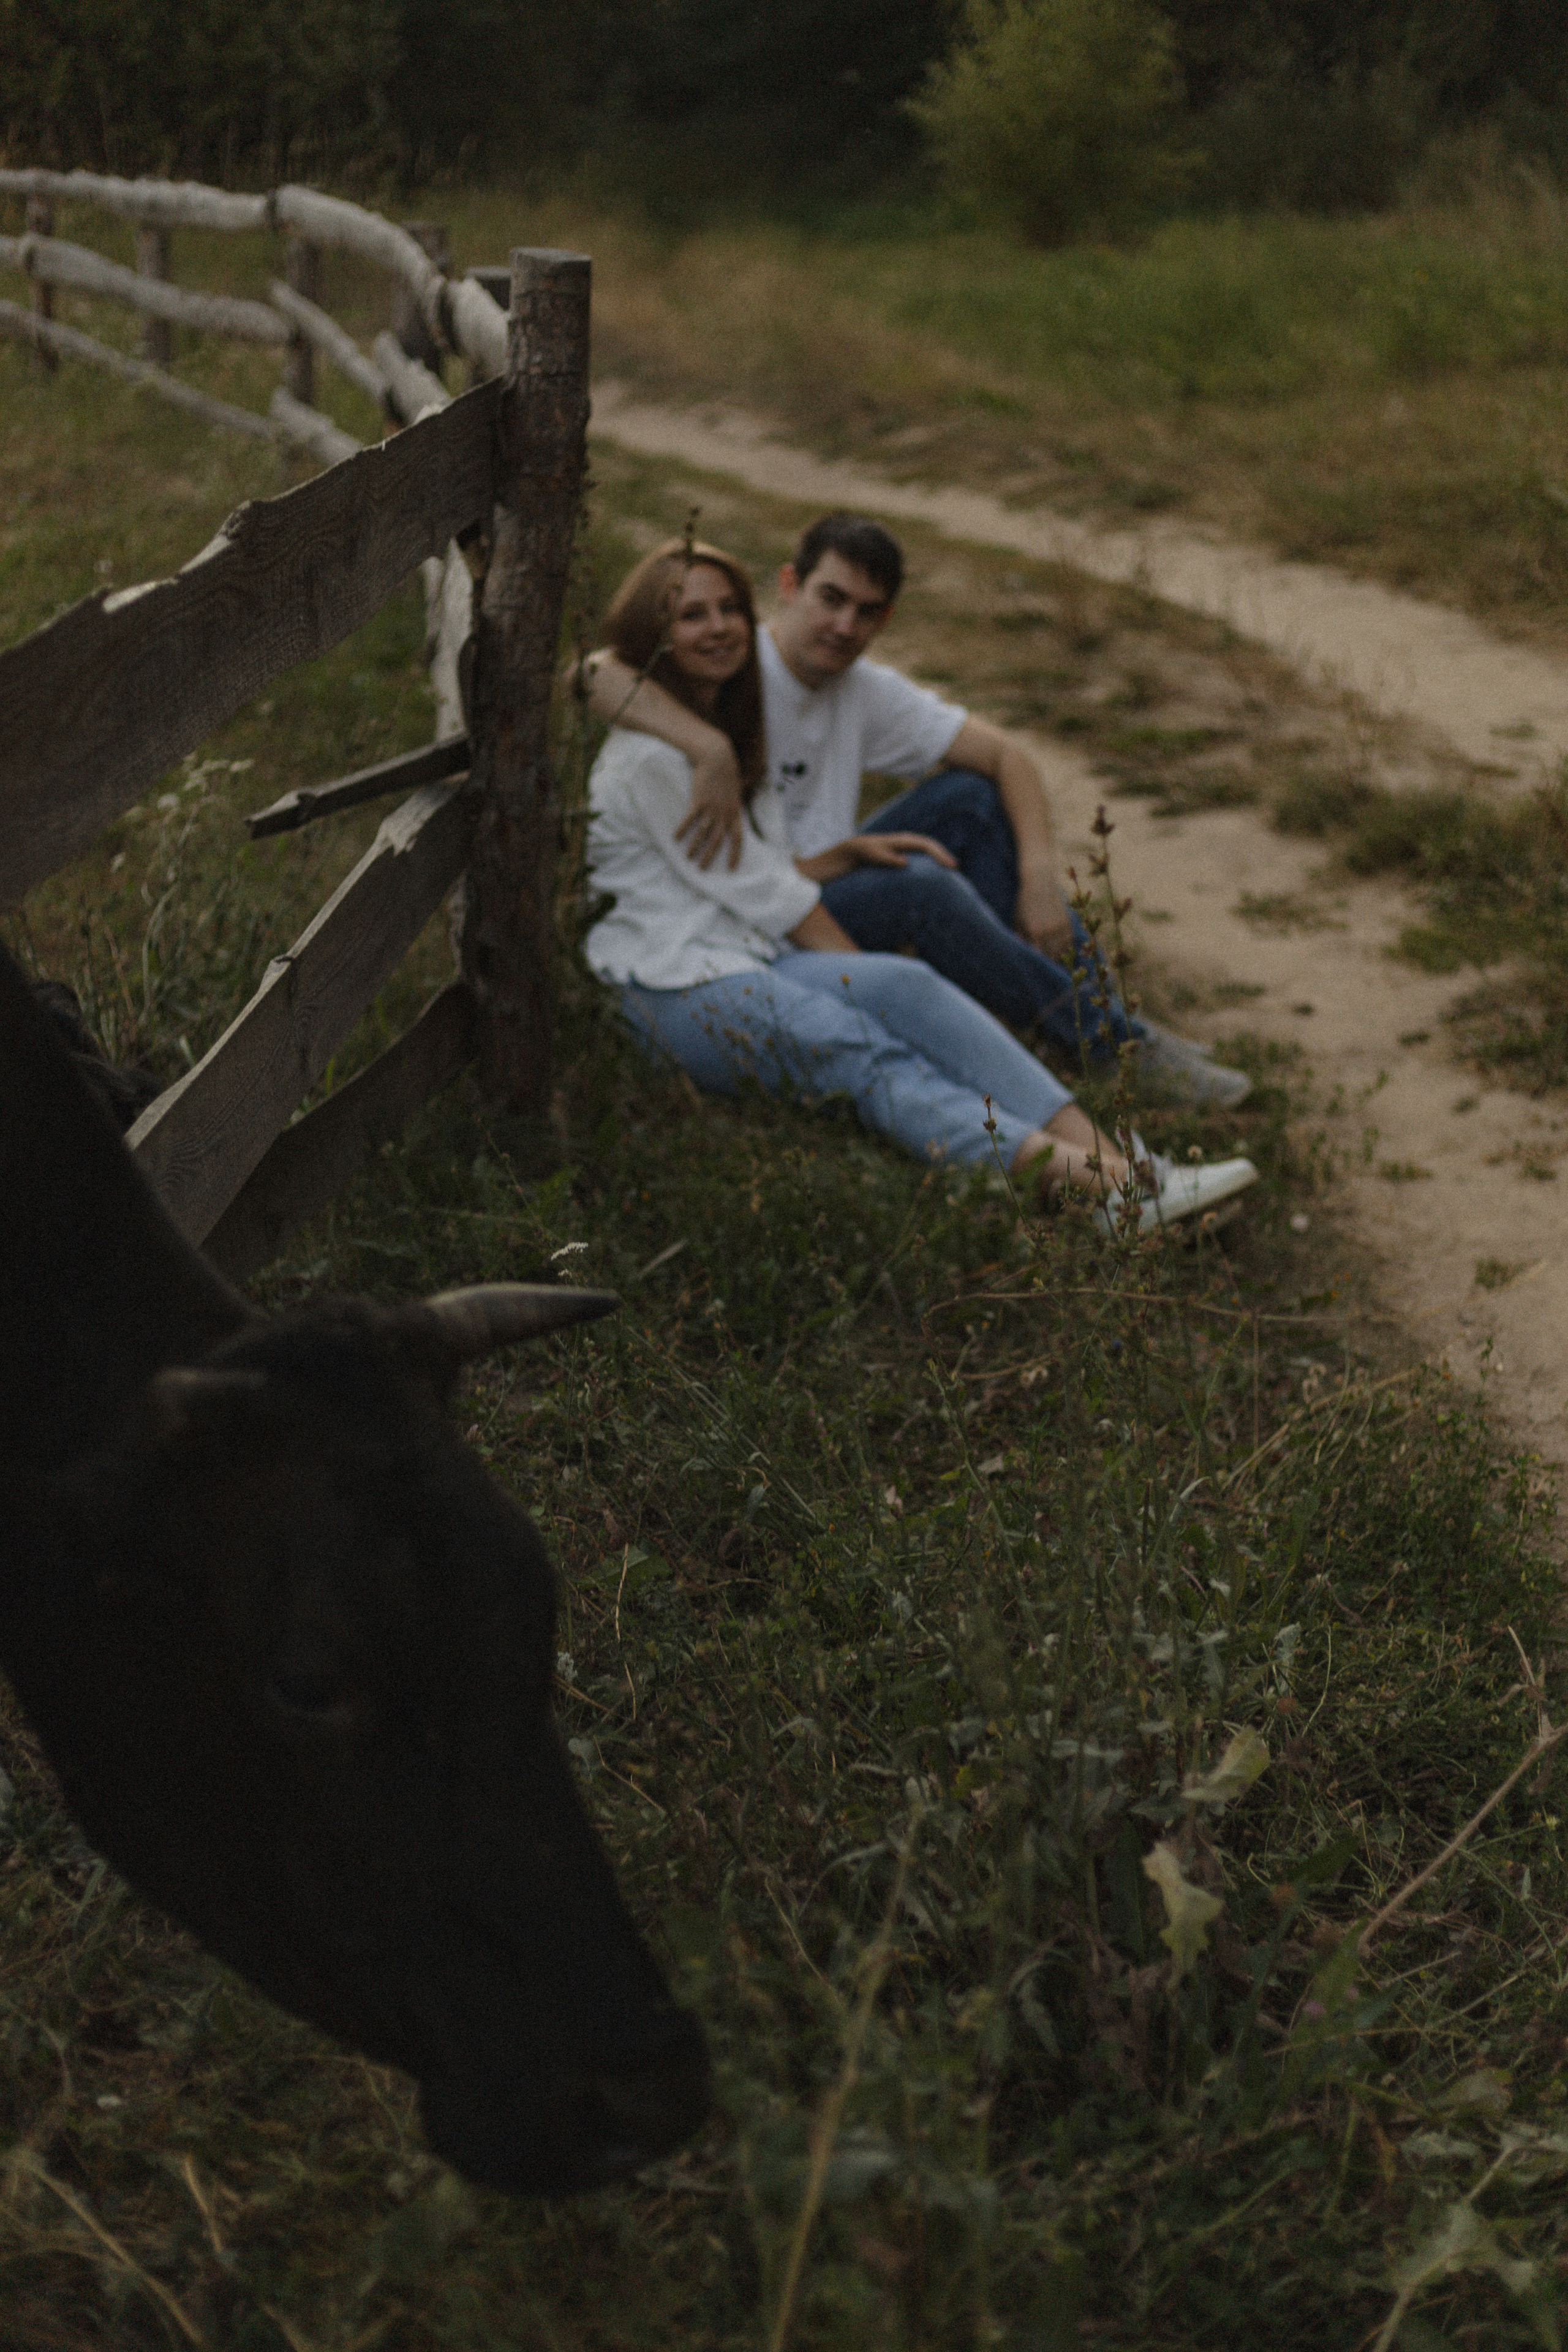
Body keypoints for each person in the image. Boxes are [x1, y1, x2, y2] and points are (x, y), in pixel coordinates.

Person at [583, 537, 1259, 1233]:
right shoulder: (662, 757)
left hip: (741, 946)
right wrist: (859, 980)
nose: (719, 627)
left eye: (729, 608)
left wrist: (863, 924)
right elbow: (765, 892)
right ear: (654, 632)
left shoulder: (728, 716)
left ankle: (1139, 1171)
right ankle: (1105, 1189)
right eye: (691, 615)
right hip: (667, 982)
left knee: (912, 990)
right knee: (858, 1044)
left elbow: (755, 868)